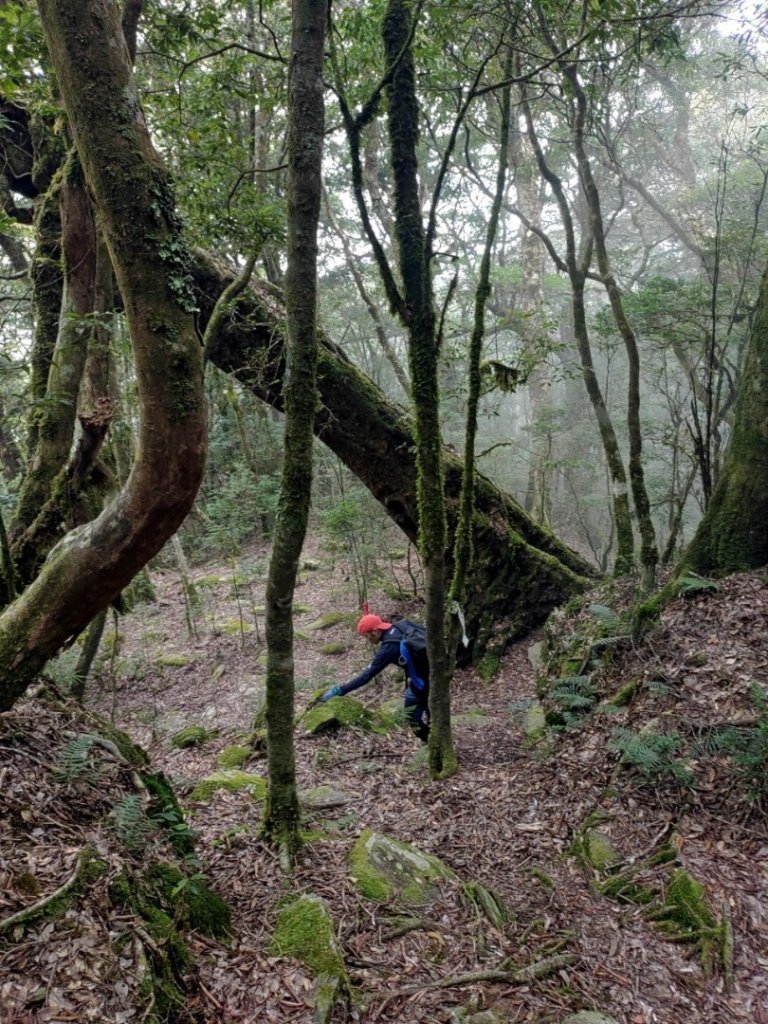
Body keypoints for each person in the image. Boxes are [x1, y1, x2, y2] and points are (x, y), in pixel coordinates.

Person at [320, 613, 430, 742]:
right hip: (435, 673)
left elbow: (365, 677)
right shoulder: (402, 624)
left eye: (367, 635)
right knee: (430, 709)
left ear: (376, 631)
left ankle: (433, 743)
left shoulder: (388, 648)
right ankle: (436, 733)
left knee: (412, 717)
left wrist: (340, 690)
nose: (368, 640)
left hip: (422, 683)